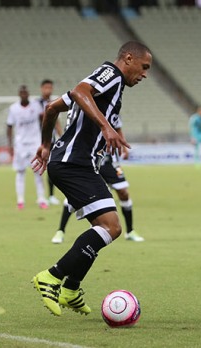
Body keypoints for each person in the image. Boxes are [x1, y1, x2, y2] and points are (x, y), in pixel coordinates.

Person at [31, 41, 152, 316]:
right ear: (129, 59)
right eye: (144, 67)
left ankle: (71, 288)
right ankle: (51, 277)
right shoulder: (110, 74)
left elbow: (51, 108)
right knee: (112, 227)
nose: (145, 74)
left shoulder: (111, 86)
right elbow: (79, 91)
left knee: (103, 227)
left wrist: (46, 145)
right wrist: (106, 126)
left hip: (71, 163)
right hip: (75, 164)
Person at [51, 152, 145, 244]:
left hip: (111, 161)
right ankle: (60, 231)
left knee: (123, 192)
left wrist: (124, 148)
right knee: (76, 193)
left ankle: (130, 231)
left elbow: (117, 135)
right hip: (89, 160)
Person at [6, 85, 48, 210]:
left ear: (28, 93)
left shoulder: (36, 105)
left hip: (35, 143)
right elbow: (9, 127)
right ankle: (20, 200)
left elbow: (44, 120)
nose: (24, 94)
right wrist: (10, 145)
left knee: (38, 172)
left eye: (25, 92)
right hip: (20, 145)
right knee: (20, 172)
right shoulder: (13, 108)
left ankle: (41, 199)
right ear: (19, 94)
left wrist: (45, 139)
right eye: (22, 92)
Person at [35, 79, 63, 205]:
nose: (48, 90)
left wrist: (61, 136)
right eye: (46, 87)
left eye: (50, 87)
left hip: (50, 141)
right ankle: (40, 195)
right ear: (41, 88)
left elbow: (56, 122)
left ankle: (51, 195)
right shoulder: (35, 104)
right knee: (36, 167)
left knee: (51, 166)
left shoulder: (55, 103)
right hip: (36, 140)